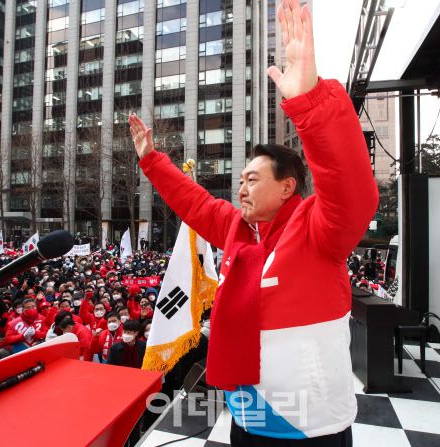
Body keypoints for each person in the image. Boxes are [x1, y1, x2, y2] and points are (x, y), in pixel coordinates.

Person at [128, 1, 377, 444]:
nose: (240, 189)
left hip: (312, 427)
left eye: (253, 179)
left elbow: (351, 185)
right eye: (240, 180)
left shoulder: (320, 229)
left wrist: (310, 101)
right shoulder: (238, 231)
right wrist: (152, 162)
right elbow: (195, 203)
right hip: (247, 417)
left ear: (287, 187)